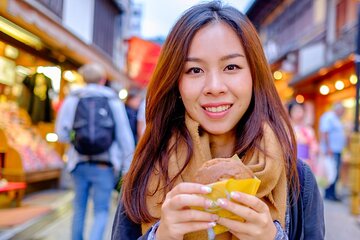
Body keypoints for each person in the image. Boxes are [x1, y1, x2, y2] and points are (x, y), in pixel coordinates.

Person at [112, 1, 324, 239]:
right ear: (176, 83)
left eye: (231, 66)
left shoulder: (298, 180)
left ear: (255, 76)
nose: (214, 87)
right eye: (194, 70)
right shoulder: (145, 173)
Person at [56, 63, 134, 240]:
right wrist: (127, 166)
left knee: (79, 209)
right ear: (103, 79)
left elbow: (61, 134)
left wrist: (77, 139)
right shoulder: (113, 100)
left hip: (78, 163)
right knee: (101, 211)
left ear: (83, 78)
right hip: (104, 165)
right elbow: (124, 136)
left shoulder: (72, 99)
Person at [319, 102, 346, 201]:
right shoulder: (329, 117)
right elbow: (325, 133)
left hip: (336, 150)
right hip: (331, 150)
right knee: (331, 172)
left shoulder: (336, 119)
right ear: (338, 109)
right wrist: (328, 147)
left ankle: (332, 193)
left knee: (335, 172)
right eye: (342, 110)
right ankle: (329, 194)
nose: (343, 113)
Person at [288, 101, 318, 172]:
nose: (298, 113)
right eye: (295, 110)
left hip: (306, 163)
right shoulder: (287, 129)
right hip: (291, 163)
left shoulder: (308, 130)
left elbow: (314, 146)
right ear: (290, 113)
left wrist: (313, 152)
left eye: (300, 110)